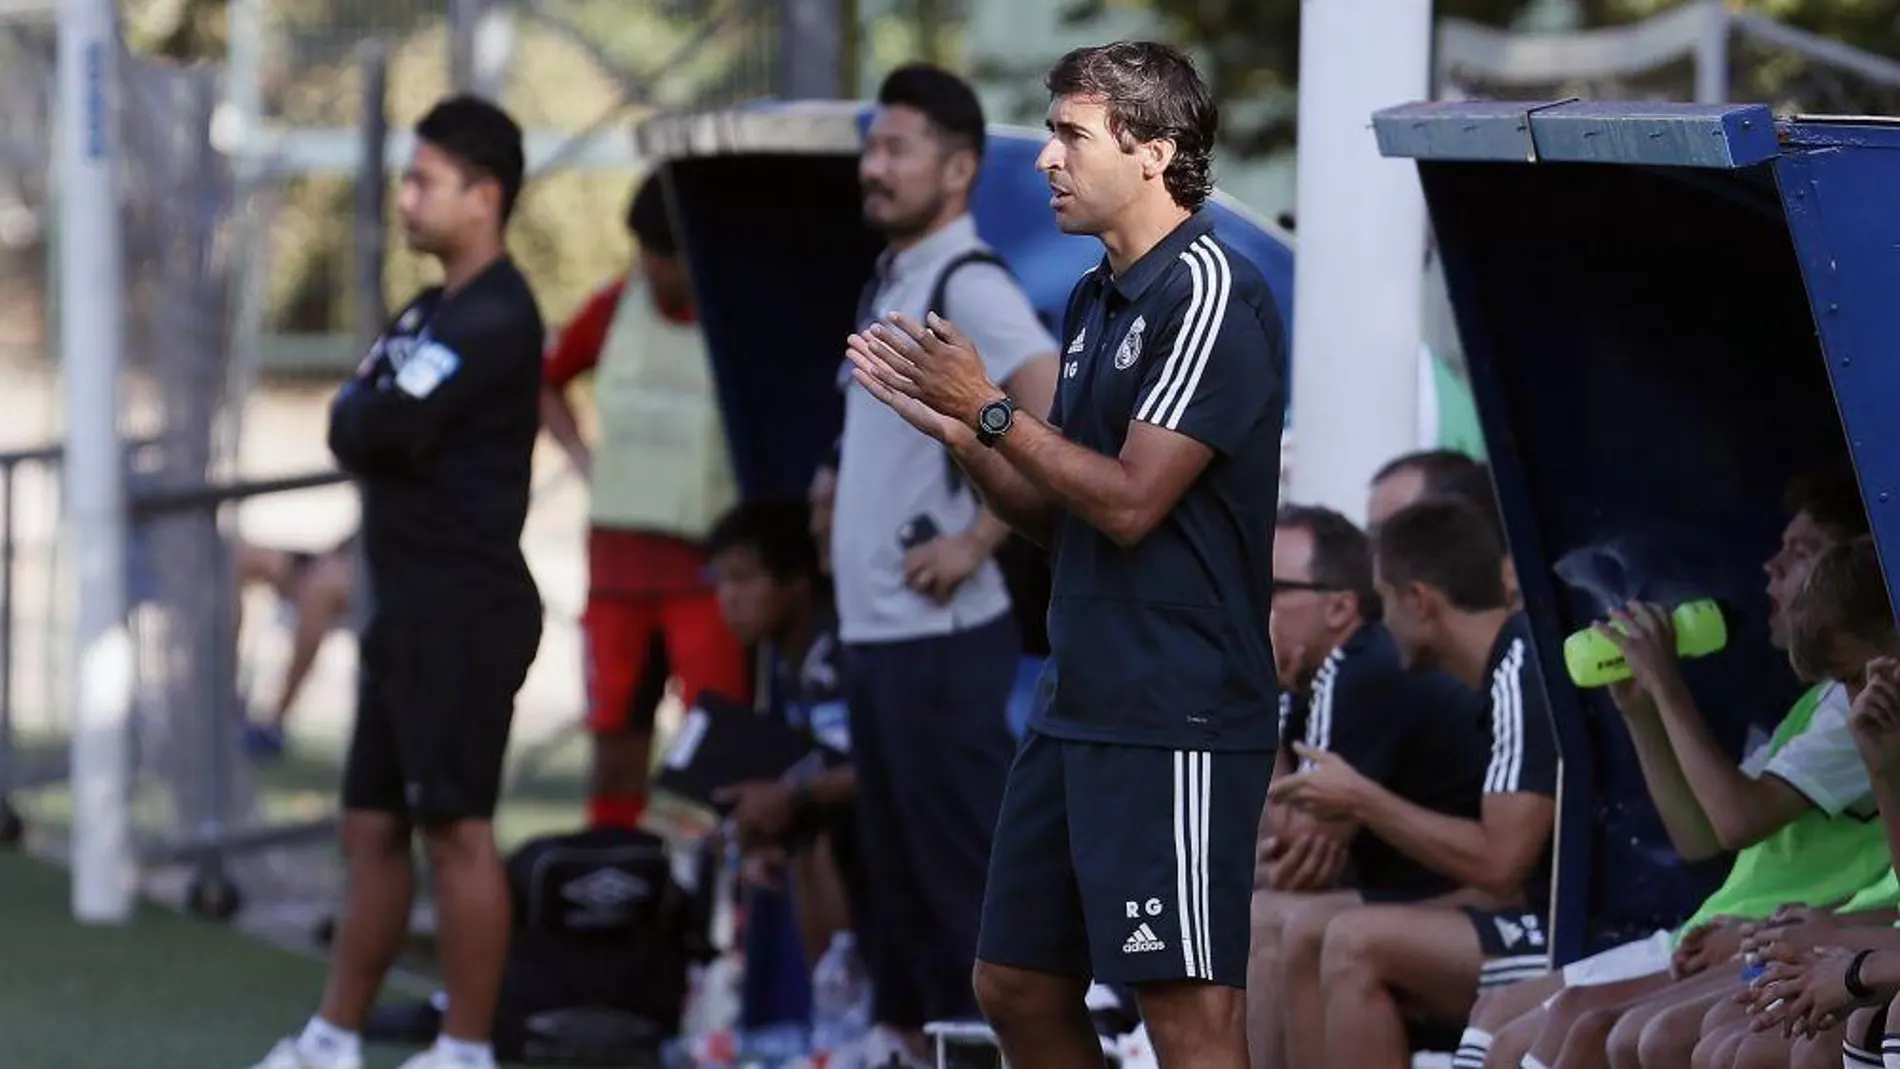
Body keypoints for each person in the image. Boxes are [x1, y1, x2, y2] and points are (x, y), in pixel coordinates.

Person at [846, 41, 1285, 1069]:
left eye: (1069, 135)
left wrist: (991, 409)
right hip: (1080, 698)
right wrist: (959, 435)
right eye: (1049, 133)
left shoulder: (1210, 292)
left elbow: (1131, 504)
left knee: (1186, 1012)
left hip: (1174, 710)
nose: (1044, 159)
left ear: (1151, 153)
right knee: (1014, 981)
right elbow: (1067, 519)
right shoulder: (1096, 298)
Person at [247, 96, 545, 1069]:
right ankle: (334, 1037)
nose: (406, 197)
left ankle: (465, 1049)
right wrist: (363, 412)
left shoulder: (501, 312)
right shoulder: (427, 310)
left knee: (456, 830)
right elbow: (355, 415)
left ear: (483, 194)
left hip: (464, 613)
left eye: (424, 180)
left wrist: (365, 413)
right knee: (369, 823)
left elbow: (380, 424)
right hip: (401, 609)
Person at [1460, 470, 1890, 1069]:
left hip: (1774, 931)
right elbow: (1699, 836)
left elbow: (1737, 820)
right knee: (1520, 1017)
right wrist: (1642, 710)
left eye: (1801, 554)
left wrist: (1668, 684)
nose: (1771, 567)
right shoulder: (1819, 703)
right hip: (1732, 927)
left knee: (1584, 1025)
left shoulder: (1861, 701)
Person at [830, 62, 1060, 1067]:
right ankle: (903, 1045)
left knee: (958, 882)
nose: (872, 168)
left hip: (940, 636)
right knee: (896, 877)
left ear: (959, 168)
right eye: (870, 147)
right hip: (880, 632)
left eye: (896, 149)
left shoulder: (970, 280)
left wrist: (976, 538)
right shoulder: (897, 275)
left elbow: (1045, 389)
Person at [1268, 497, 1559, 1069]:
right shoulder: (1502, 669)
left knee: (1355, 941)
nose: (1378, 621)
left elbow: (1502, 865)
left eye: (1385, 603)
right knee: (1311, 930)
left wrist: (1361, 798)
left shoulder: (1520, 666)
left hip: (1586, 932)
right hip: (1525, 906)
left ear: (1420, 601)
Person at [540, 174, 752, 833]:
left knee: (715, 746)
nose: (657, 266)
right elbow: (546, 380)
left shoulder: (736, 311)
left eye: (670, 250)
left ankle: (707, 902)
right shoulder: (612, 309)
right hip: (618, 568)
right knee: (615, 746)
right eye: (649, 251)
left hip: (707, 570)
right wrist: (579, 457)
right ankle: (612, 876)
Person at [702, 499, 861, 966]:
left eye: (744, 579)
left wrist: (788, 799)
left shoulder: (843, 652)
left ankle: (860, 1009)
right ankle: (832, 1011)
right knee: (793, 842)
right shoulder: (780, 662)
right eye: (720, 581)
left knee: (826, 839)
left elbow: (885, 768)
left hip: (897, 831)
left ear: (797, 584)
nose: (727, 598)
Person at [236, 533, 359, 757]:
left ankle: (273, 724)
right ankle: (225, 705)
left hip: (377, 573)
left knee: (322, 587)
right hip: (333, 553)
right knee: (242, 558)